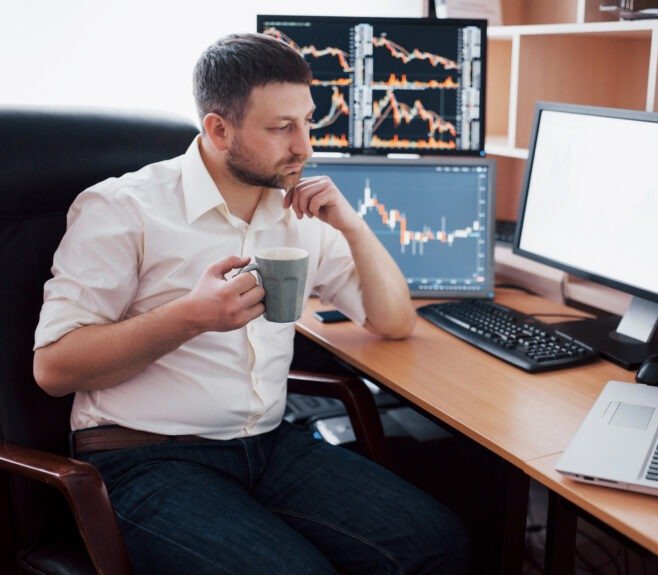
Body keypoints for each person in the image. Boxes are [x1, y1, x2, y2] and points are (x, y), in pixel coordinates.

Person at [33, 32, 469, 574]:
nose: (304, 146)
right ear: (219, 129)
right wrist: (192, 317)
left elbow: (394, 321)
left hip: (267, 445)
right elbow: (53, 368)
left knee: (439, 542)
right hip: (144, 457)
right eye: (282, 128)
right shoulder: (123, 209)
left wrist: (353, 226)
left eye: (308, 122)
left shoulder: (296, 211)